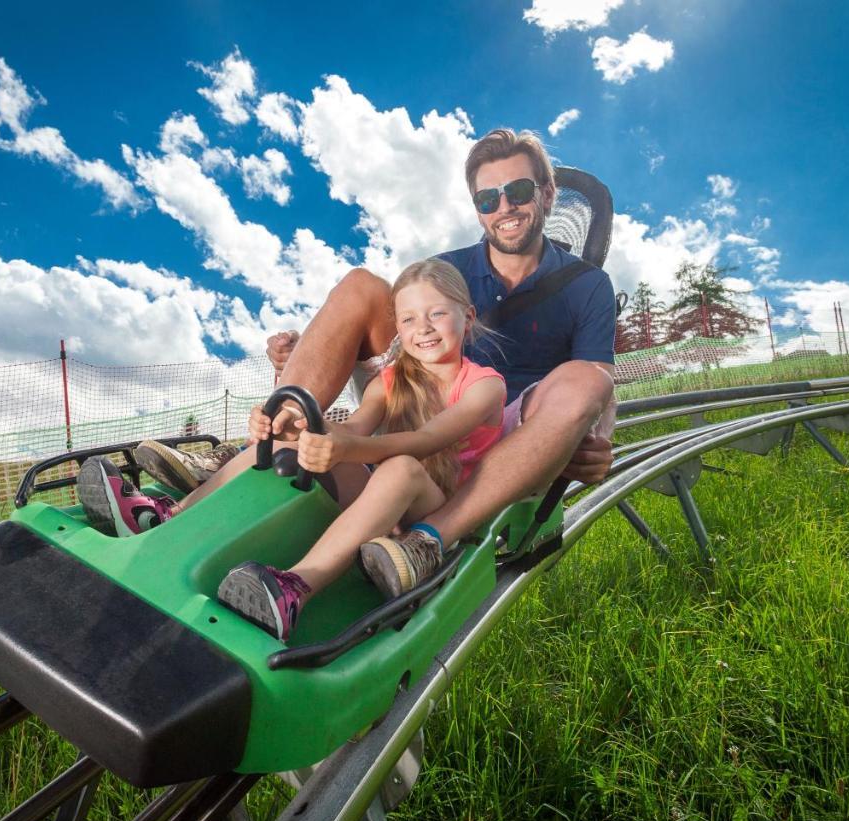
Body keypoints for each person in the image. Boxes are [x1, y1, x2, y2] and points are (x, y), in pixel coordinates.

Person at [135, 128, 617, 599]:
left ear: (548, 194)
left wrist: (596, 438)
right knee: (362, 286)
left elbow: (599, 386)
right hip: (421, 395)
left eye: (518, 191)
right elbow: (404, 347)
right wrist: (309, 351)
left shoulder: (586, 284)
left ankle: (430, 539)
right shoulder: (449, 269)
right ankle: (261, 442)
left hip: (505, 428)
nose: (504, 207)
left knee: (584, 379)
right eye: (488, 199)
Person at [80, 260, 506, 642]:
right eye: (409, 319)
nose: (423, 328)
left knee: (401, 468)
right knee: (290, 441)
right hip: (383, 498)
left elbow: (428, 439)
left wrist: (350, 446)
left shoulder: (485, 385)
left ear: (467, 318)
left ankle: (293, 590)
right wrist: (291, 427)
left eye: (436, 314)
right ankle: (163, 515)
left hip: (432, 511)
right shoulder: (390, 380)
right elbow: (354, 428)